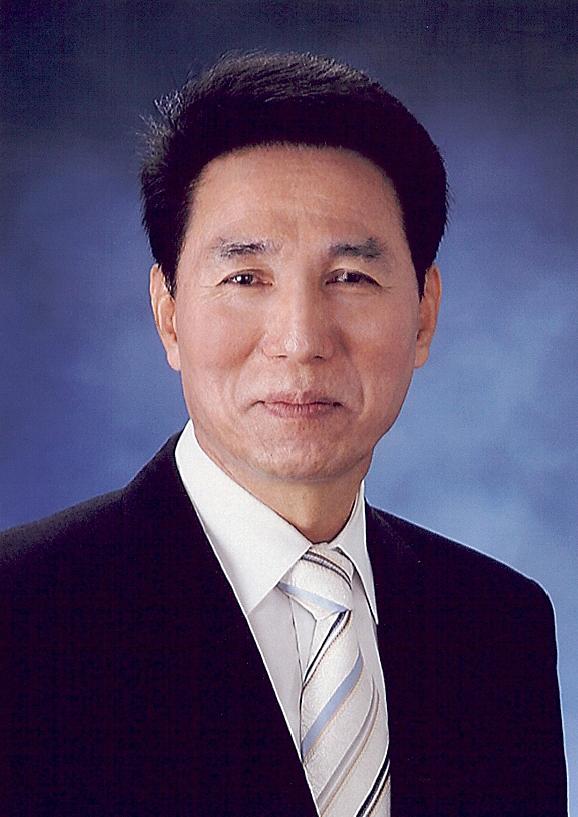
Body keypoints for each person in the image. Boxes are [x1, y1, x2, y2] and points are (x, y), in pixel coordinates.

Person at [0, 52, 567, 817]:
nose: (300, 340)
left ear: (424, 314)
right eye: (246, 278)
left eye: (350, 277)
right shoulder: (26, 615)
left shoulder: (497, 627)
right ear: (169, 313)